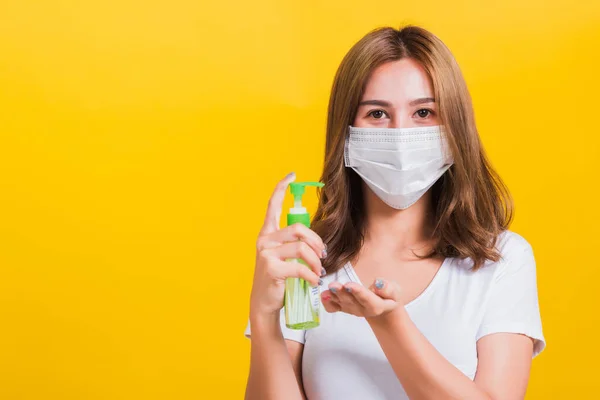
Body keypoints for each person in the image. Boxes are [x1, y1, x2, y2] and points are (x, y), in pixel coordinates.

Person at [244, 25, 545, 400]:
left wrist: (388, 323)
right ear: (347, 129)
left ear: (455, 127)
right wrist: (264, 317)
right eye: (377, 114)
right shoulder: (307, 259)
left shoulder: (500, 260)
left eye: (423, 112)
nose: (401, 134)